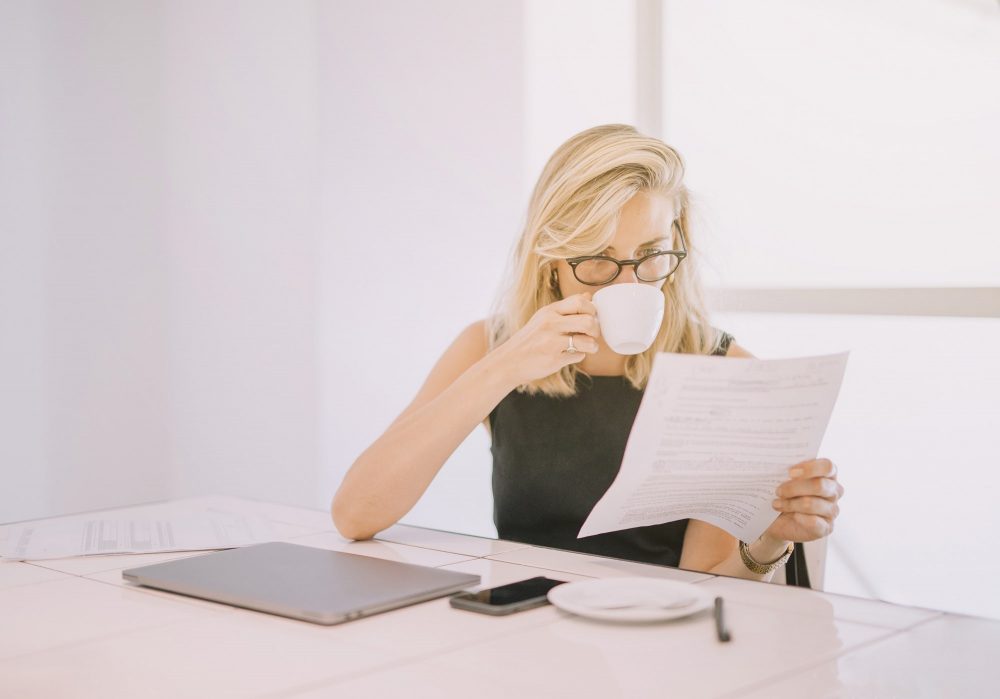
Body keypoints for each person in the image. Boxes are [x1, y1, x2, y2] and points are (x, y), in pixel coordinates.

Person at [332, 124, 843, 582]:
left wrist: (769, 542)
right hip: (521, 627)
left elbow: (704, 583)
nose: (628, 284)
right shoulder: (488, 348)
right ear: (550, 258)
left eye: (651, 254)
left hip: (656, 636)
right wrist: (504, 366)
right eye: (598, 259)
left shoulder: (724, 373)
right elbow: (356, 515)